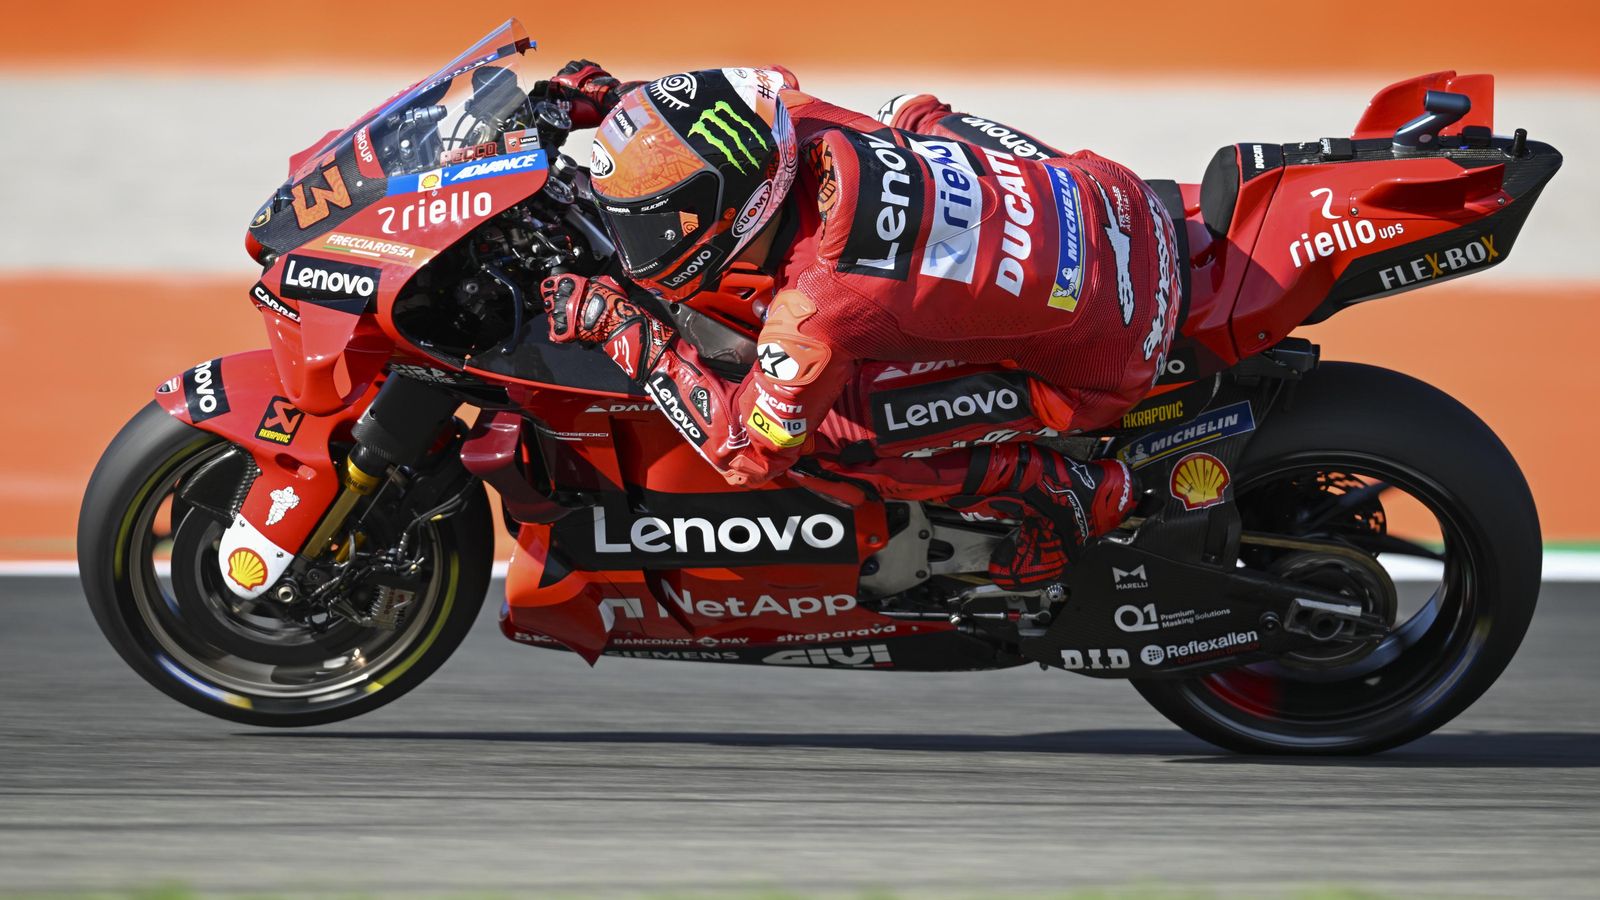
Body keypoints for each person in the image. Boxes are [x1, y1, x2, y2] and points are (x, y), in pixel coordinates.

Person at [537, 61, 1181, 589]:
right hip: (1118, 198)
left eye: (654, 221)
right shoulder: (797, 120)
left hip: (1109, 354)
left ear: (739, 210)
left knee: (826, 441)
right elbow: (760, 83)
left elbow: (748, 454)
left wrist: (621, 327)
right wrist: (623, 105)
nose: (637, 239)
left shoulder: (814, 308)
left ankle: (1063, 491)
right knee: (909, 116)